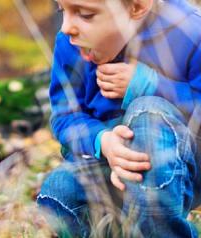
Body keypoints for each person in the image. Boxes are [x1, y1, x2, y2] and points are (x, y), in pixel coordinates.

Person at [38, 0, 201, 237]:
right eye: (62, 10)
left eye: (85, 14)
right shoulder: (69, 44)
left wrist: (151, 85)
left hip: (183, 163)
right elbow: (65, 116)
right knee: (57, 192)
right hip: (109, 167)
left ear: (136, 7)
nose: (66, 27)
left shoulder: (188, 31)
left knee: (148, 114)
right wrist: (102, 141)